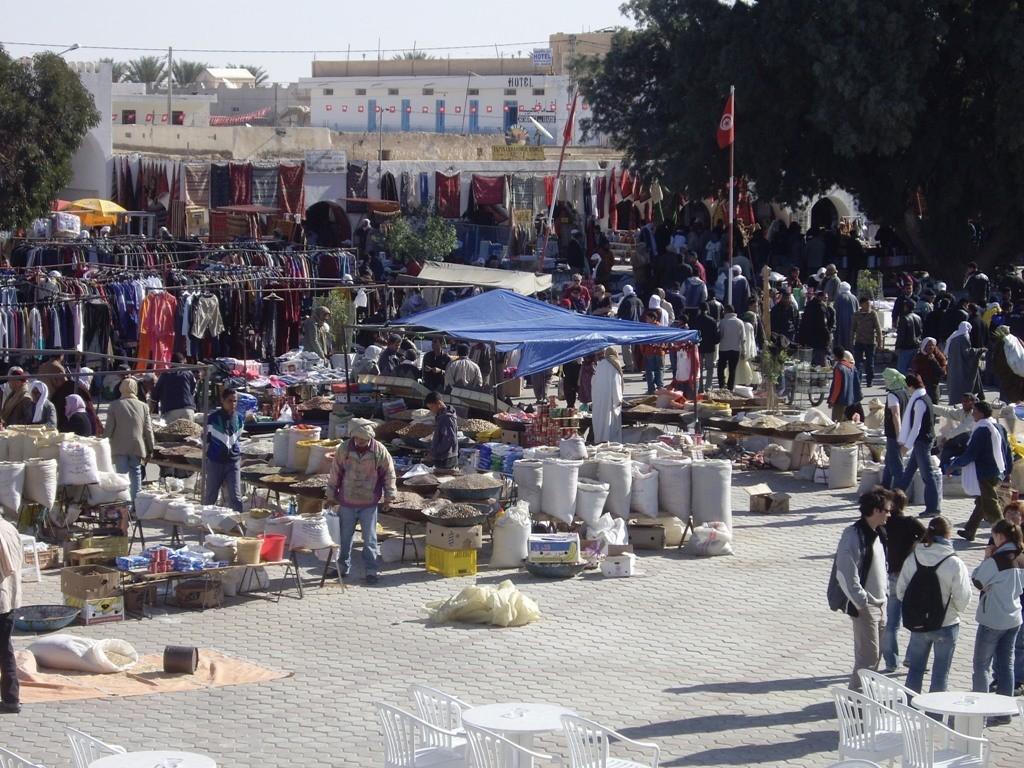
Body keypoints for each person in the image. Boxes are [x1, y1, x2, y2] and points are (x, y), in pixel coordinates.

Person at [896, 516, 972, 693]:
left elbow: (901, 590)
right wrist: (954, 609)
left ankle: (910, 712)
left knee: (915, 670)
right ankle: (934, 717)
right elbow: (963, 596)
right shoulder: (954, 562)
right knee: (940, 673)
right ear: (948, 534)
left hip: (918, 622)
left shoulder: (914, 555)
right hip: (946, 624)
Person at [827, 488, 891, 691]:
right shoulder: (853, 535)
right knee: (867, 658)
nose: (889, 514)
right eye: (887, 510)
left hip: (881, 603)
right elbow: (845, 572)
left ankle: (863, 697)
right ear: (875, 510)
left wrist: (886, 594)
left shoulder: (878, 533)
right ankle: (857, 702)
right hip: (866, 606)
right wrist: (861, 601)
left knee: (876, 655)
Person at [327, 418, 397, 584]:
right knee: (344, 538)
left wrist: (389, 497)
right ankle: (342, 567)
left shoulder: (379, 450)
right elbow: (335, 472)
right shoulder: (343, 449)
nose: (360, 442)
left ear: (370, 438)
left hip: (369, 503)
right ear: (352, 437)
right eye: (358, 439)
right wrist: (330, 495)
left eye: (364, 440)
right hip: (347, 501)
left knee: (370, 540)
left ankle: (371, 571)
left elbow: (389, 474)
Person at [970, 519, 1024, 709]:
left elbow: (977, 580)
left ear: (1000, 536)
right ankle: (1004, 711)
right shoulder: (1020, 556)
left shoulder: (997, 560)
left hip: (993, 619)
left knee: (981, 666)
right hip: (1014, 617)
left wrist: (986, 558)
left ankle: (980, 711)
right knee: (1006, 665)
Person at [948, 400, 1013, 541]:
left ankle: (1006, 535)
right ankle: (969, 531)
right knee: (982, 502)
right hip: (998, 470)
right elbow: (1007, 450)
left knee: (991, 505)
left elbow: (971, 454)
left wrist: (953, 465)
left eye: (975, 411)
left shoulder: (982, 430)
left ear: (981, 413)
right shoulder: (998, 427)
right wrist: (1008, 469)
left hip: (985, 473)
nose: (972, 414)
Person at [881, 490, 925, 672]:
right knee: (917, 620)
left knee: (891, 623)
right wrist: (915, 546)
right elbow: (926, 534)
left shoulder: (884, 523)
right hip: (909, 576)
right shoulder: (910, 523)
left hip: (890, 574)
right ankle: (911, 657)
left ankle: (891, 662)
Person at [897, 373, 943, 518]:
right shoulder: (924, 397)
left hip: (922, 441)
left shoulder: (919, 402)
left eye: (907, 387)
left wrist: (906, 446)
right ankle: (894, 501)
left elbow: (916, 427)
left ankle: (933, 508)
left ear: (911, 386)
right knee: (908, 472)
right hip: (922, 440)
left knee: (927, 476)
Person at [105, 378, 154, 503]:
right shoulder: (143, 406)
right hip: (137, 446)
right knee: (136, 474)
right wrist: (151, 447)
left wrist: (104, 442)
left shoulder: (114, 405)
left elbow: (109, 429)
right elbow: (148, 430)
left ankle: (124, 506)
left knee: (122, 477)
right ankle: (136, 505)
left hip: (119, 447)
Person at [203, 388, 245, 513]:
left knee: (236, 497)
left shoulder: (239, 419)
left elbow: (237, 439)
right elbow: (206, 439)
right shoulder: (212, 419)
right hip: (215, 462)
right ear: (222, 401)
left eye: (235, 401)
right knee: (211, 496)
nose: (232, 404)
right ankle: (206, 523)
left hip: (233, 462)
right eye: (229, 401)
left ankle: (238, 525)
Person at [0, 514, 23, 713]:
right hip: (9, 598)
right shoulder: (9, 527)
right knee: (5, 650)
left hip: (2, 598)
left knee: (5, 650)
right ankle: (11, 698)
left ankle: (11, 698)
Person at [944, 321, 984, 404]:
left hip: (954, 365)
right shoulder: (964, 337)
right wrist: (980, 350)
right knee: (964, 386)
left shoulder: (954, 336)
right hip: (962, 367)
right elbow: (967, 353)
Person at [881, 368, 909, 489]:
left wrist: (899, 435)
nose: (884, 382)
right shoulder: (904, 392)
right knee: (889, 461)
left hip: (895, 434)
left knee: (897, 465)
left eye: (886, 379)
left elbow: (896, 415)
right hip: (903, 430)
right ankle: (884, 486)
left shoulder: (893, 395)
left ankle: (899, 492)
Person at [591, 348, 623, 444]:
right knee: (609, 425)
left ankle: (599, 441)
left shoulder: (600, 365)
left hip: (598, 400)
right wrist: (619, 401)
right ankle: (610, 444)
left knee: (599, 423)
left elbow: (593, 382)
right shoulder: (614, 366)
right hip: (610, 402)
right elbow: (616, 385)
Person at [153, 354, 197, 423]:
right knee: (189, 433)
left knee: (171, 433)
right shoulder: (189, 373)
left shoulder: (164, 375)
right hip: (188, 409)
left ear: (171, 362)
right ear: (183, 361)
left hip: (171, 410)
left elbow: (155, 394)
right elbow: (192, 391)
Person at [852, 296, 883, 386]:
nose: (869, 305)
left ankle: (869, 380)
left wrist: (879, 342)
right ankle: (858, 380)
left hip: (870, 342)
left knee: (869, 364)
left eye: (869, 304)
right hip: (859, 342)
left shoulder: (873, 314)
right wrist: (851, 340)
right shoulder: (856, 314)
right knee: (857, 363)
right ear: (861, 305)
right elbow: (853, 329)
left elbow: (878, 328)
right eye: (866, 304)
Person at [424, 391, 459, 469]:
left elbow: (450, 439)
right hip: (444, 456)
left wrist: (434, 452)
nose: (431, 410)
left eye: (432, 407)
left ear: (439, 403)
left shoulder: (446, 418)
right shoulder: (441, 416)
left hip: (447, 458)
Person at [692, 302, 720, 393]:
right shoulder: (712, 320)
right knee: (710, 368)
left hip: (699, 347)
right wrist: (715, 342)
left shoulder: (696, 320)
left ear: (699, 309)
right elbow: (716, 335)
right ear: (707, 309)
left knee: (699, 368)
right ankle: (708, 386)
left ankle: (700, 387)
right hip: (709, 347)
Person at [827, 350, 862, 422]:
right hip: (852, 401)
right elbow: (857, 385)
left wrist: (832, 401)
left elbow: (837, 387)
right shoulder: (852, 367)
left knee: (836, 424)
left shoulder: (839, 368)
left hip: (840, 402)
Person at [910, 337, 947, 404]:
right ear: (924, 346)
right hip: (922, 384)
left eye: (932, 345)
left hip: (934, 384)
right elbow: (915, 371)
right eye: (929, 345)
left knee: (934, 404)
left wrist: (934, 360)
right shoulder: (919, 357)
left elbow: (942, 371)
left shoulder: (937, 355)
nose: (931, 347)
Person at [799, 292, 831, 366]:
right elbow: (823, 324)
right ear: (820, 297)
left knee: (809, 363)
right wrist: (827, 336)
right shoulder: (820, 308)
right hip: (819, 339)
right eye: (824, 298)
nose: (825, 300)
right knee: (820, 363)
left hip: (808, 338)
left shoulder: (808, 305)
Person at [717, 305, 745, 391]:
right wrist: (744, 351)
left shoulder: (722, 322)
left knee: (721, 367)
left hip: (724, 348)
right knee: (732, 370)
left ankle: (721, 385)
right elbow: (743, 338)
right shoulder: (740, 322)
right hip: (735, 349)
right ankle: (730, 388)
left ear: (726, 311)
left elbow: (720, 336)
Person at [894, 300, 924, 374]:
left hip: (906, 347)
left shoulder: (904, 318)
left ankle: (904, 385)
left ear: (906, 307)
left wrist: (897, 347)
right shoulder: (918, 317)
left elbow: (901, 335)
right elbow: (920, 332)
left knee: (902, 370)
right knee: (912, 369)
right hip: (916, 346)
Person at [833, 282, 859, 351]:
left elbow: (834, 311)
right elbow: (858, 311)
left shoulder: (839, 298)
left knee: (840, 341)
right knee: (850, 341)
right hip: (852, 324)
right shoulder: (854, 298)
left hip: (840, 324)